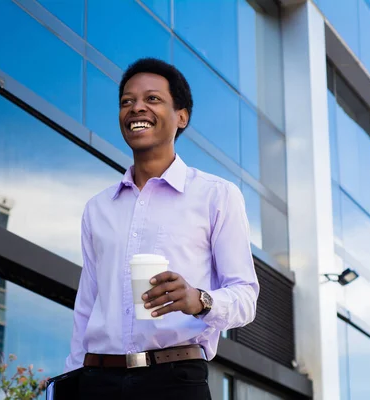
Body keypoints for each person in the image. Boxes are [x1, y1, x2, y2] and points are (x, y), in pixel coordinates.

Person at [64, 58, 259, 400]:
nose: (137, 107)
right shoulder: (97, 208)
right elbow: (86, 307)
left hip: (175, 382)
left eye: (152, 99)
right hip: (97, 383)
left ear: (182, 116)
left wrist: (197, 299)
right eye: (127, 101)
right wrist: (71, 379)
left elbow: (245, 297)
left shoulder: (216, 195)